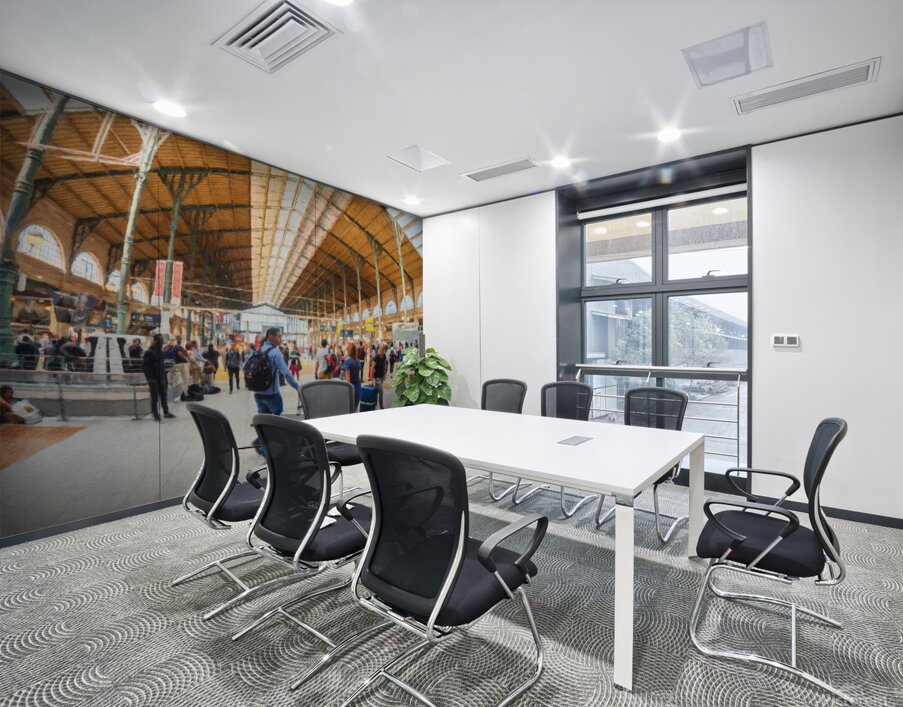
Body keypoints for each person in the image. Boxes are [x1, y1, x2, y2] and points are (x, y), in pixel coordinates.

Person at [252, 327, 301, 417]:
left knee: (264, 422)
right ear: (270, 337)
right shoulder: (275, 352)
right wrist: (298, 387)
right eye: (278, 336)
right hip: (272, 395)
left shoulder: (258, 351)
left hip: (258, 394)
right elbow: (286, 373)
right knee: (277, 422)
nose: (281, 338)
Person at [142, 334, 174, 421]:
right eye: (160, 341)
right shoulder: (149, 352)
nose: (162, 342)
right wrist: (149, 379)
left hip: (161, 377)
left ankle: (166, 412)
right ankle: (155, 415)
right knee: (155, 397)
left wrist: (165, 376)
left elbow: (162, 365)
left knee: (163, 396)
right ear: (156, 341)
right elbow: (145, 367)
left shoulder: (160, 352)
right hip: (154, 378)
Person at [341, 340, 362, 411]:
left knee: (349, 409)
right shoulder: (357, 361)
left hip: (351, 389)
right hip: (358, 386)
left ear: (348, 350)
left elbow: (348, 380)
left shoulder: (347, 363)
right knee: (355, 408)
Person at [371, 343, 387, 409]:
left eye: (383, 350)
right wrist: (372, 378)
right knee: (381, 391)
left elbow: (385, 364)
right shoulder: (376, 357)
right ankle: (381, 406)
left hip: (382, 376)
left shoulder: (384, 356)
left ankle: (373, 404)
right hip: (377, 377)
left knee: (376, 391)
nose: (383, 351)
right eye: (382, 350)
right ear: (380, 350)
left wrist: (385, 372)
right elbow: (372, 368)